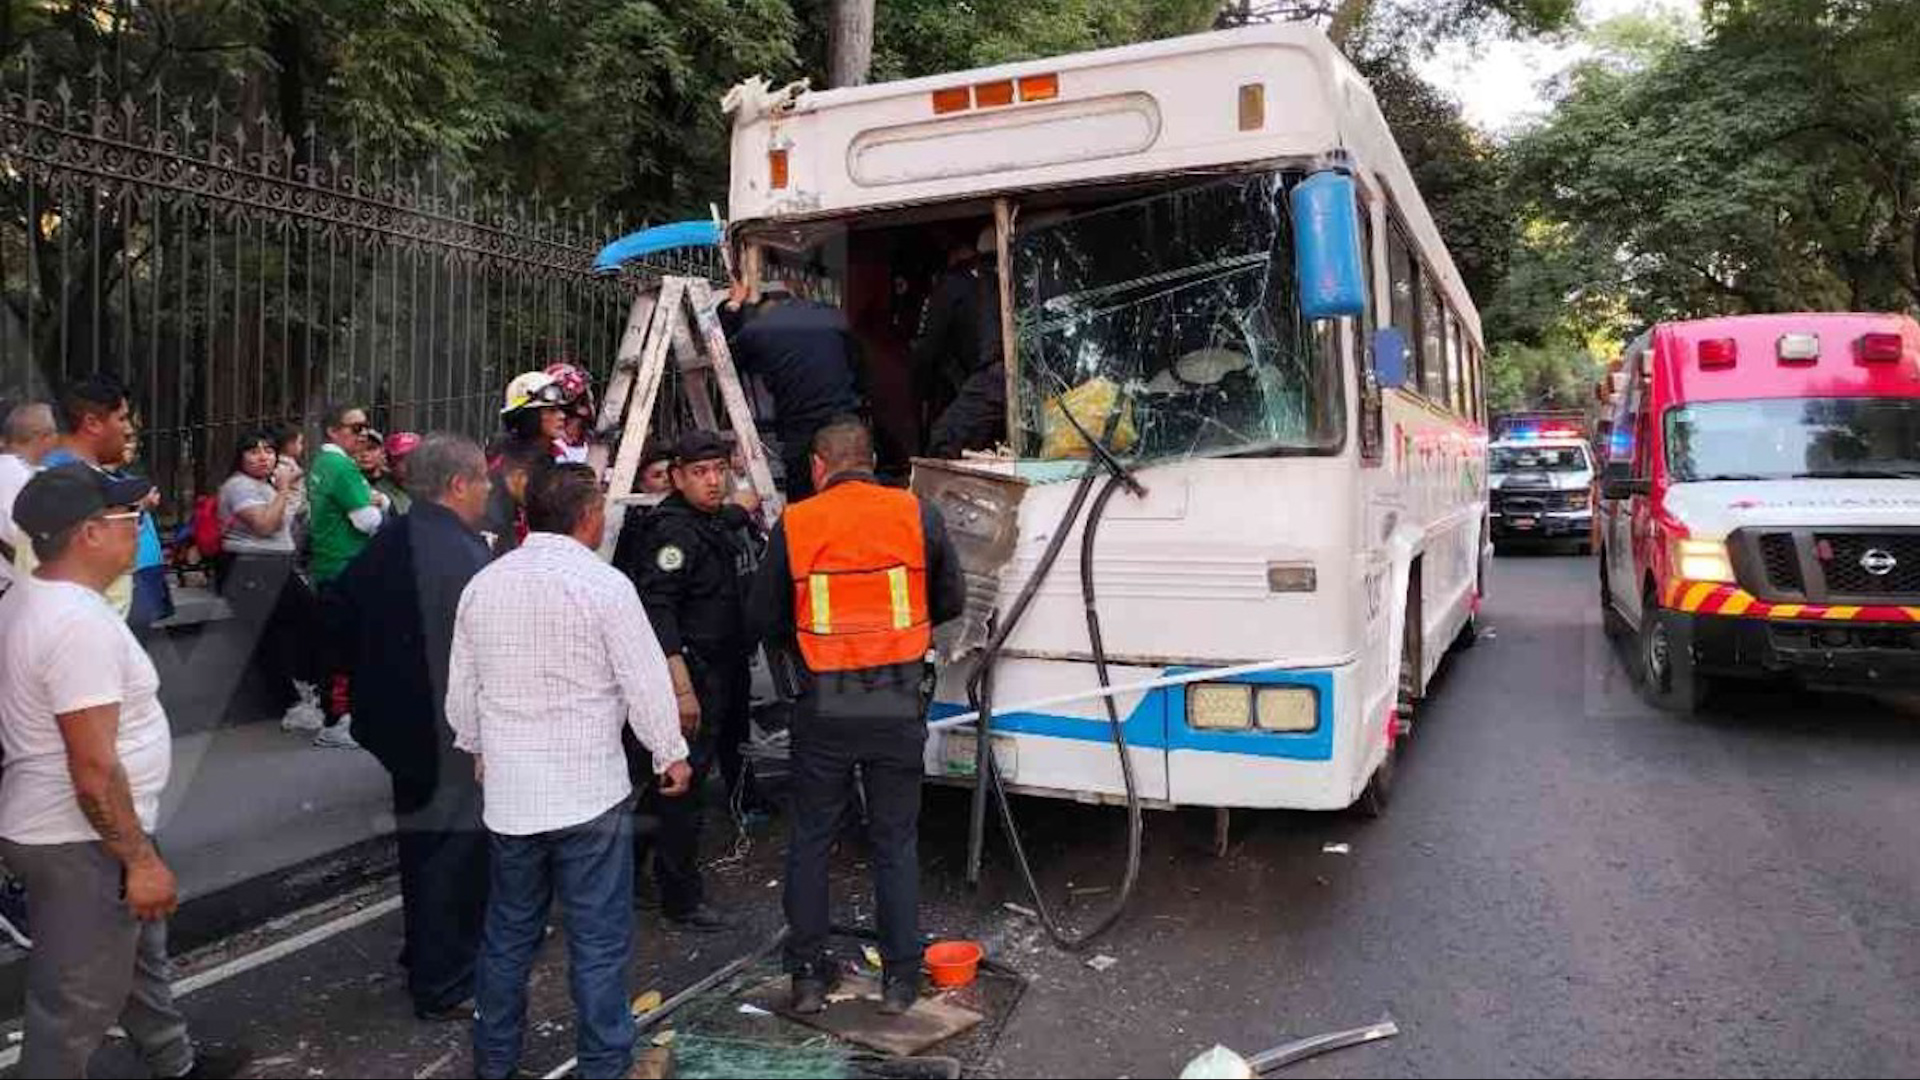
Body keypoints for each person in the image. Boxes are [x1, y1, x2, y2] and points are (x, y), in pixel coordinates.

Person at [0, 463, 248, 1079]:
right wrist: (138, 860)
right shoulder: (75, 625)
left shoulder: (37, 600)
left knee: (136, 960)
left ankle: (174, 1063)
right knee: (73, 1005)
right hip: (81, 837)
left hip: (84, 828)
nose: (141, 530)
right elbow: (91, 765)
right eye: (130, 519)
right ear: (87, 533)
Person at [446, 463, 692, 1080]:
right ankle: (606, 1066)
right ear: (588, 517)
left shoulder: (485, 585)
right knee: (598, 939)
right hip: (588, 793)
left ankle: (494, 1062)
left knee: (508, 935)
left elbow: (462, 690)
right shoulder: (605, 586)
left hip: (511, 797)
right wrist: (669, 753)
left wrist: (477, 745)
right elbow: (644, 682)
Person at [748, 417, 966, 1016]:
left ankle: (808, 979)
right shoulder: (917, 514)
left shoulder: (798, 523)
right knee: (895, 840)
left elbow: (763, 616)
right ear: (869, 460)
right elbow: (950, 600)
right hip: (895, 697)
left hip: (825, 702)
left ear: (820, 465)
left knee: (813, 839)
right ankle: (900, 980)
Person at [333, 434, 494, 1022]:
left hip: (397, 725)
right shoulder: (464, 554)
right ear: (457, 485)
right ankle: (445, 979)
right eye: (481, 481)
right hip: (449, 731)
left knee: (422, 849)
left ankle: (425, 951)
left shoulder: (391, 538)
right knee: (455, 854)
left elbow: (340, 613)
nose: (488, 491)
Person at [617, 430, 762, 931]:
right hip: (692, 675)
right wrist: (680, 687)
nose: (713, 481)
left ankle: (626, 865)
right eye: (700, 473)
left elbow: (726, 517)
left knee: (675, 783)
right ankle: (680, 896)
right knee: (685, 788)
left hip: (719, 670)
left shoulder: (707, 519)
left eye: (719, 470)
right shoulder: (671, 533)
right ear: (677, 478)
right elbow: (658, 608)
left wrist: (744, 506)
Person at [217, 428, 322, 733]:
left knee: (306, 623)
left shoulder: (269, 485)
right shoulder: (238, 486)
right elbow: (265, 525)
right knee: (269, 637)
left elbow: (290, 521)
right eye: (253, 451)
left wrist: (290, 487)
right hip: (249, 566)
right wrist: (284, 489)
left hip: (276, 565)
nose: (263, 457)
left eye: (268, 450)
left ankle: (305, 690)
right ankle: (291, 703)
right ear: (240, 457)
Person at [721, 281, 861, 501]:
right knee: (851, 493)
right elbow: (855, 364)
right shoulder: (832, 316)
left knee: (803, 497)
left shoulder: (757, 329)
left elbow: (726, 360)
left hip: (800, 424)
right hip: (844, 419)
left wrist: (734, 305)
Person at [28, 374, 141, 618]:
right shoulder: (60, 483)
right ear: (92, 423)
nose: (128, 429)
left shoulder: (81, 477)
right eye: (121, 418)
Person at [306, 402, 384, 750]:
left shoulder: (323, 463)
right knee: (345, 648)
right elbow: (365, 520)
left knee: (337, 645)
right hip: (346, 566)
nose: (363, 433)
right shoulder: (342, 467)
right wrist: (382, 506)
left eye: (365, 426)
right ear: (333, 431)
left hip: (329, 566)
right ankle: (338, 721)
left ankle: (339, 716)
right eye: (355, 427)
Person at [481, 372, 566, 555]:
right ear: (530, 416)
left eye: (560, 409)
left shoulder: (549, 458)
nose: (562, 416)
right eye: (551, 410)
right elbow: (492, 523)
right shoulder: (504, 463)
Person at [0, 400, 58, 591]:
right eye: (54, 432)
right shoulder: (17, 477)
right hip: (11, 587)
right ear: (42, 437)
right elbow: (19, 539)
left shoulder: (19, 473)